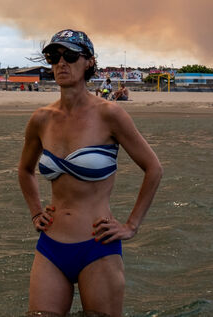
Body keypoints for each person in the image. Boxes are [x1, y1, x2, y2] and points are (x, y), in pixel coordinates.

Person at [19, 29, 162, 317]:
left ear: (89, 62)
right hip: (50, 247)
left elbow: (153, 168)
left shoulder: (110, 115)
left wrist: (131, 226)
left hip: (98, 245)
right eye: (54, 56)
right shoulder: (41, 119)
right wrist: (35, 212)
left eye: (70, 56)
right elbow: (25, 170)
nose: (61, 63)